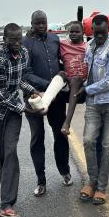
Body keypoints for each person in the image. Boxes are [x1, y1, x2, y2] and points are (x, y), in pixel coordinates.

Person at [0, 23, 42, 217]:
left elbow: (19, 81)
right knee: (0, 157)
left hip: (13, 112)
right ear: (4, 40)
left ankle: (7, 204)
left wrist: (31, 90)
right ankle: (6, 187)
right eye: (12, 40)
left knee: (10, 152)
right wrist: (24, 108)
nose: (17, 43)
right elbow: (0, 91)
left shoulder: (23, 53)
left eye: (19, 39)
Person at [23, 10, 73, 197]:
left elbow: (62, 63)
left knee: (60, 135)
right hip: (34, 98)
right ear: (32, 23)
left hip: (56, 98)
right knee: (38, 138)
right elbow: (26, 73)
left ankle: (65, 171)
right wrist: (49, 85)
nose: (41, 26)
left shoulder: (54, 40)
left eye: (44, 22)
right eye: (37, 23)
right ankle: (41, 181)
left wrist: (63, 78)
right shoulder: (25, 43)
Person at [77, 14, 109, 205]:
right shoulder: (90, 46)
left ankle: (101, 188)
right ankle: (92, 181)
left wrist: (87, 89)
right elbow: (87, 71)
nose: (98, 36)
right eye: (95, 33)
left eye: (102, 33)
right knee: (88, 141)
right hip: (94, 102)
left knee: (107, 145)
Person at [59, 21, 88, 135]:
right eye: (71, 31)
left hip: (81, 84)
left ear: (83, 33)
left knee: (76, 79)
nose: (74, 34)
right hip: (67, 82)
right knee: (60, 73)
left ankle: (67, 123)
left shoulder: (88, 47)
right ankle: (44, 103)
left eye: (77, 31)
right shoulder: (63, 45)